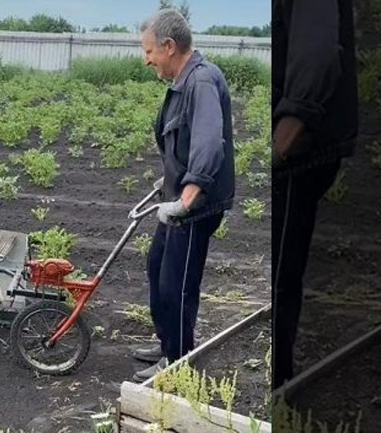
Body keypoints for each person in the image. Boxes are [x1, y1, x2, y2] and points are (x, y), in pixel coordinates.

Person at [132, 8, 235, 382]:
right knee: (158, 267)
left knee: (177, 282)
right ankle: (166, 342)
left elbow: (209, 143)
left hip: (195, 207)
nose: (146, 60)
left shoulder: (202, 81)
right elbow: (183, 144)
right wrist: (168, 185)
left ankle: (177, 361)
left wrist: (186, 198)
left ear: (169, 46)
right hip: (179, 200)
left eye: (149, 52)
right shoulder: (182, 82)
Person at [271, 0, 358, 389]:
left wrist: (284, 139)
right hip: (293, 148)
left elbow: (319, 51)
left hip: (297, 152)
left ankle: (277, 385)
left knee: (279, 276)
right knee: (279, 270)